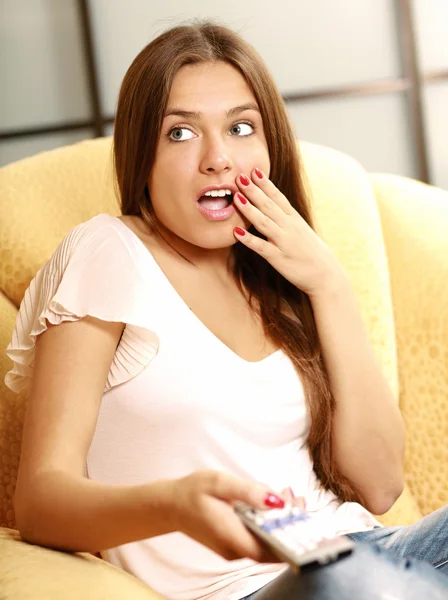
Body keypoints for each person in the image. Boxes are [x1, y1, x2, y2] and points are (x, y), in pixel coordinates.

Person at [5, 20, 447, 600]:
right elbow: (39, 501)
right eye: (181, 133)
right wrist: (176, 504)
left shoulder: (281, 274)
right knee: (357, 580)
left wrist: (330, 285)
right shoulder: (107, 252)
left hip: (367, 552)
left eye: (241, 127)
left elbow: (381, 485)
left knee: (364, 571)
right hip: (255, 588)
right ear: (143, 153)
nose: (218, 159)